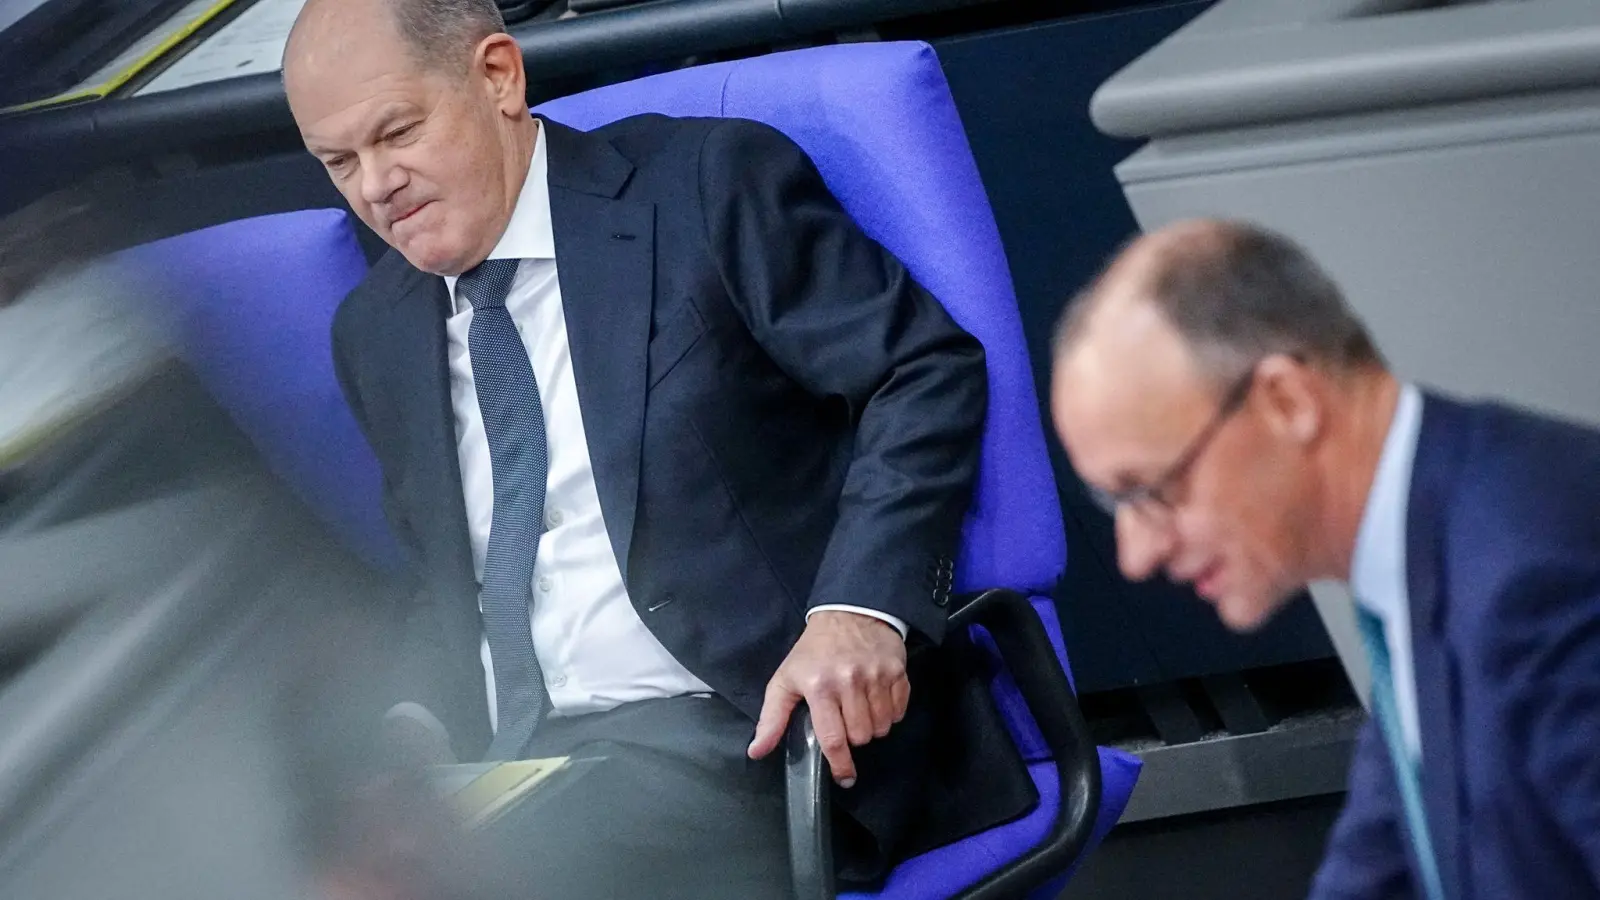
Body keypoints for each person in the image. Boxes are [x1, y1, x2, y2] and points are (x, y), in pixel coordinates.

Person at [281, 0, 1034, 896]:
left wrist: (859, 608)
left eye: (396, 132)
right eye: (339, 162)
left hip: (753, 733)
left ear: (497, 76)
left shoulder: (706, 188)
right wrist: (407, 728)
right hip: (528, 770)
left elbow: (920, 373)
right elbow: (441, 577)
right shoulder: (376, 330)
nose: (375, 185)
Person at [1048, 218, 1600, 899]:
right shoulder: (1422, 550)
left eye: (1153, 490)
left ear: (1288, 401)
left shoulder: (1539, 574)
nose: (1135, 555)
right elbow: (1379, 863)